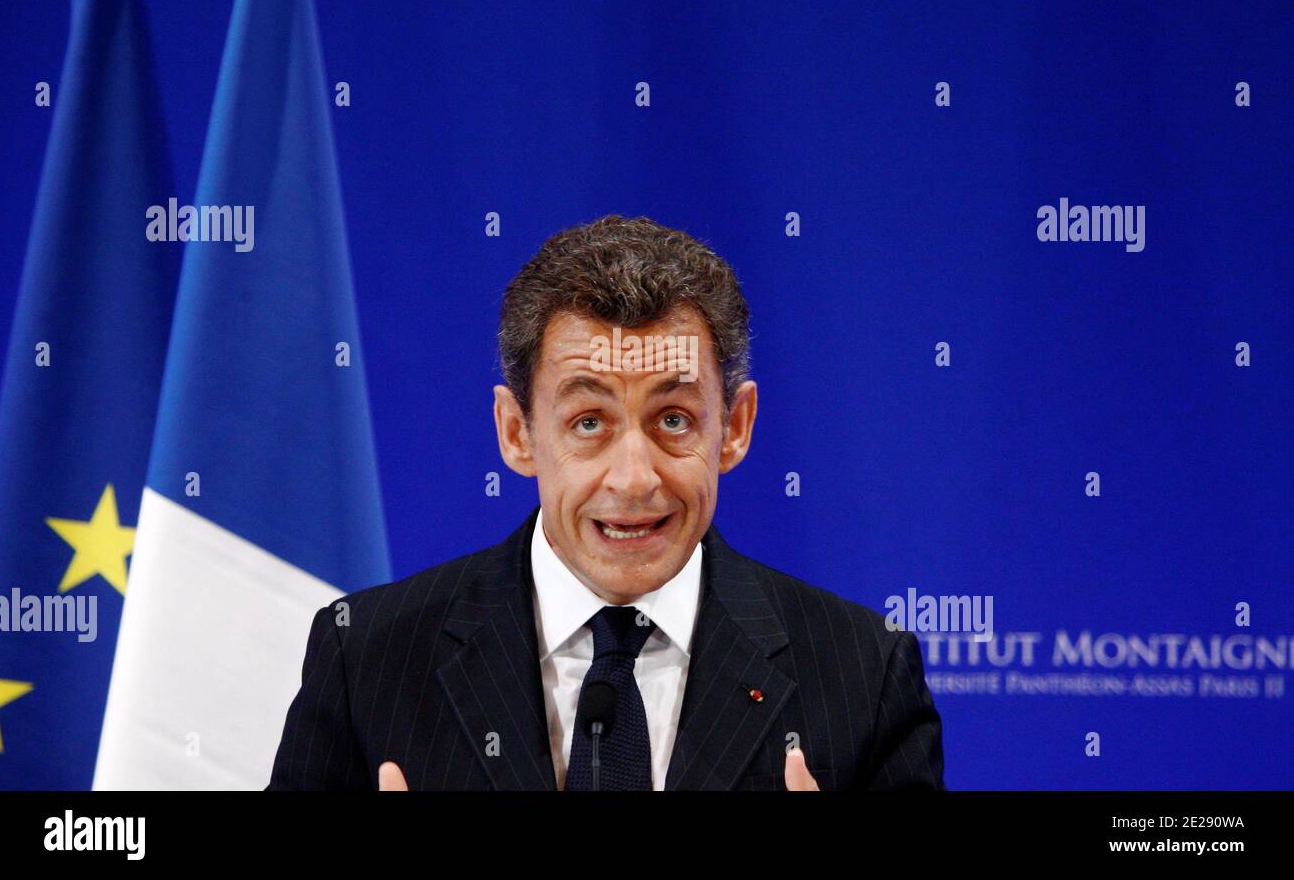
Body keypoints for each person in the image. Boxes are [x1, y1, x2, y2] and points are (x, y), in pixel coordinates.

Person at [267, 215, 946, 790]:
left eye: (674, 419)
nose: (633, 478)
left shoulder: (864, 674)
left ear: (733, 428)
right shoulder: (371, 659)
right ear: (517, 433)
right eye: (588, 422)